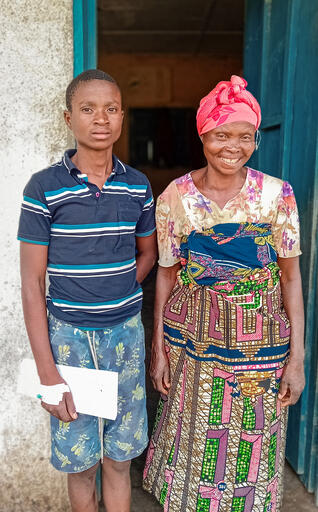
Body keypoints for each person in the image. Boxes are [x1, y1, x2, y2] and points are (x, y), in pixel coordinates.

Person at [143, 75, 305, 511]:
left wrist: (298, 358)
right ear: (203, 135)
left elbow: (291, 277)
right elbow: (166, 273)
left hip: (262, 343)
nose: (232, 146)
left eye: (244, 136)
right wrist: (157, 347)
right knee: (194, 439)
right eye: (221, 135)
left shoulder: (277, 195)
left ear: (255, 139)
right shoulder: (176, 196)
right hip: (191, 340)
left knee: (254, 446)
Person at [18, 69, 157, 512]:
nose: (101, 118)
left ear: (122, 117)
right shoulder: (44, 188)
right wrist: (47, 372)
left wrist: (116, 289)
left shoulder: (137, 185)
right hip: (68, 342)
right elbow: (31, 281)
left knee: (119, 459)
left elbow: (148, 254)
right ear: (68, 118)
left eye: (112, 109)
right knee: (81, 463)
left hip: (126, 337)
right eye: (88, 108)